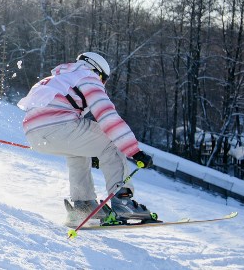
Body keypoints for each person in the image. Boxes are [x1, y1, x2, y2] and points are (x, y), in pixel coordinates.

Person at [18, 52, 154, 225]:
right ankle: (124, 202)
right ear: (98, 72)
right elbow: (107, 116)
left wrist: (93, 151)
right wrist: (134, 151)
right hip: (60, 125)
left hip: (33, 133)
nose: (102, 85)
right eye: (104, 80)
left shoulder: (56, 78)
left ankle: (84, 204)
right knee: (113, 143)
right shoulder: (88, 77)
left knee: (77, 153)